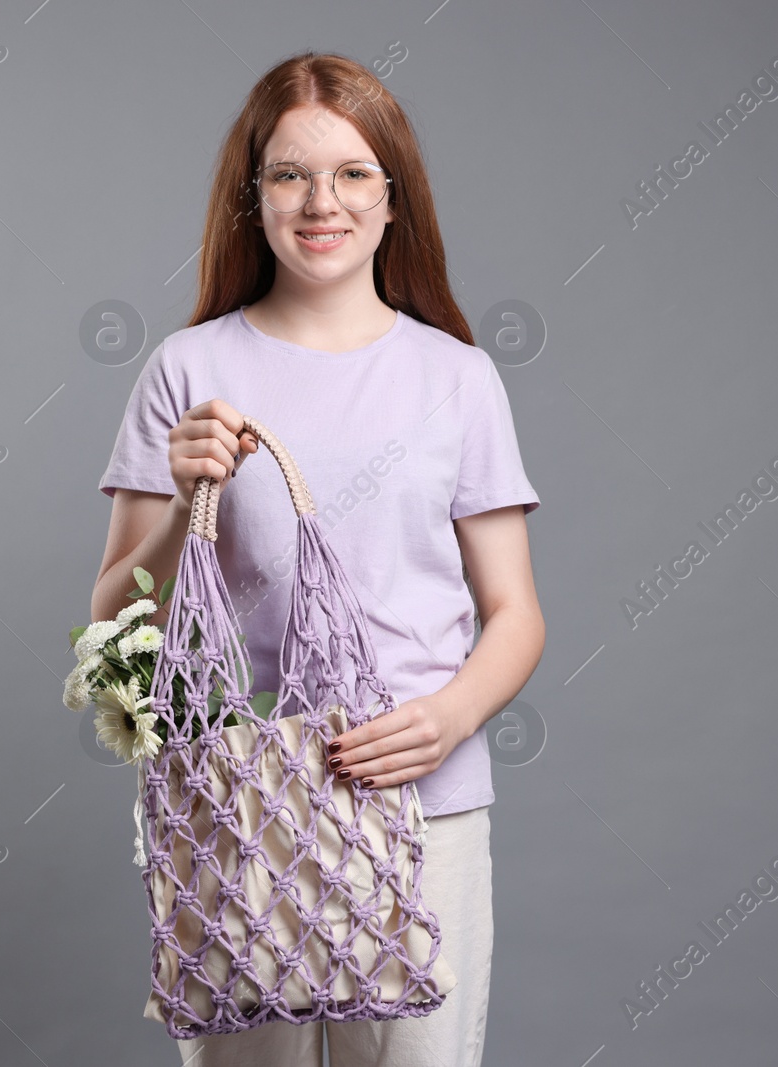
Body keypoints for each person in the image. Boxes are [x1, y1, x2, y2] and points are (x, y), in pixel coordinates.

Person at [89, 50, 544, 1067]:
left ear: (393, 198)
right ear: (253, 198)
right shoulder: (188, 369)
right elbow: (114, 614)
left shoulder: (458, 378)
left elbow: (515, 610)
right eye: (289, 174)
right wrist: (180, 499)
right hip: (238, 804)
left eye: (350, 174)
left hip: (422, 807)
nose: (319, 201)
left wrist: (446, 717)